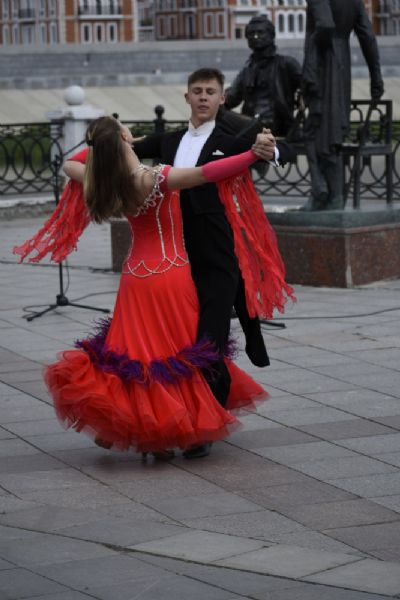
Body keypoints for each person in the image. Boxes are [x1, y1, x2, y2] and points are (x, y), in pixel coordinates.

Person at [13, 116, 294, 460]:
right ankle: (176, 427)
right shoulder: (155, 178)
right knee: (175, 353)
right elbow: (209, 172)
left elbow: (71, 162)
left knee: (136, 353)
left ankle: (142, 431)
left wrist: (107, 145)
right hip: (170, 274)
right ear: (124, 136)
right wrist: (252, 155)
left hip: (134, 277)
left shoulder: (104, 179)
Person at [132, 67, 295, 458]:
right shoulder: (169, 140)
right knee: (176, 339)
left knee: (210, 339)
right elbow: (126, 149)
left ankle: (204, 425)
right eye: (197, 91)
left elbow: (280, 151)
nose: (203, 97)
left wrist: (270, 148)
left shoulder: (231, 140)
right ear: (187, 97)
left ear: (222, 98)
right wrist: (112, 136)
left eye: (210, 91)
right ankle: (171, 418)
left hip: (218, 258)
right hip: (173, 257)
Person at [301, 0, 384, 211]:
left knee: (319, 129)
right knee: (331, 130)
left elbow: (325, 24)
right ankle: (330, 195)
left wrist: (313, 48)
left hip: (323, 62)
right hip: (342, 62)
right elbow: (368, 37)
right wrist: (376, 77)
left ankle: (328, 196)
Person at [224, 16, 302, 138]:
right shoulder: (247, 69)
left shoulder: (286, 64)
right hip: (250, 124)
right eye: (251, 33)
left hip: (278, 124)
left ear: (272, 35)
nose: (255, 37)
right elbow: (231, 98)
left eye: (260, 32)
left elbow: (309, 87)